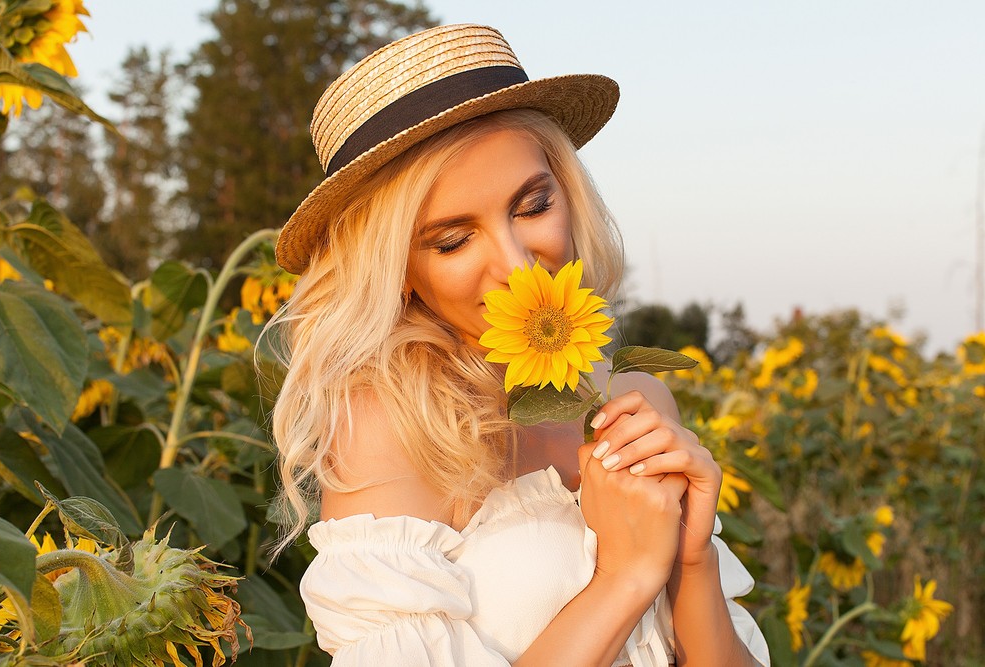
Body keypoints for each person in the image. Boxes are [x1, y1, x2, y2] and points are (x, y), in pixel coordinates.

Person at [269, 23, 770, 666]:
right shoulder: (394, 427)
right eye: (452, 240)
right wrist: (626, 576)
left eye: (532, 206)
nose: (515, 264)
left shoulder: (633, 398)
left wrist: (691, 558)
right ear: (394, 269)